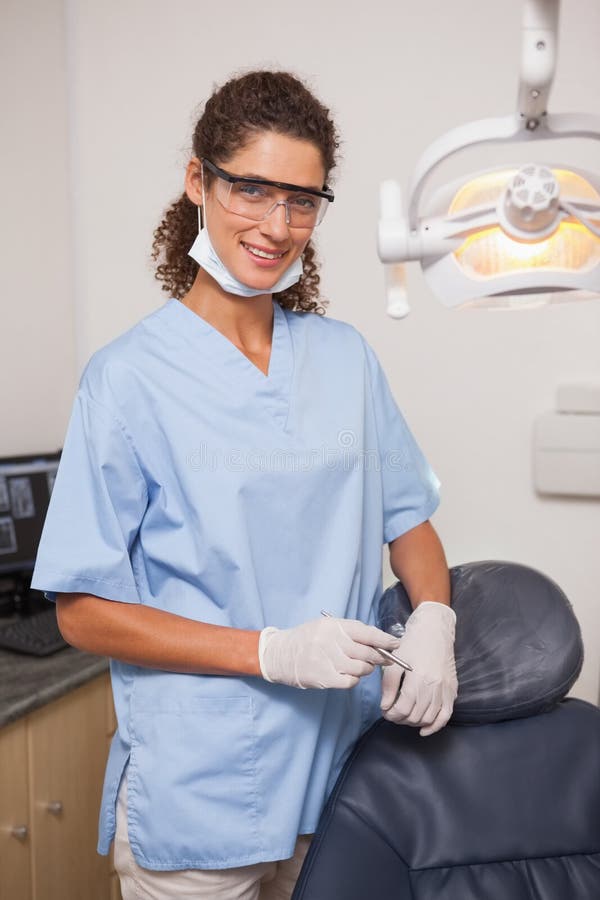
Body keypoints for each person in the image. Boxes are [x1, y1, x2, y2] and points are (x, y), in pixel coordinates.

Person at [31, 69, 458, 899]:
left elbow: (410, 520)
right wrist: (271, 651)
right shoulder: (127, 381)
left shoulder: (345, 360)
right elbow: (81, 612)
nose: (277, 224)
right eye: (253, 190)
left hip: (346, 781)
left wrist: (436, 616)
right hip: (203, 793)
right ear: (199, 181)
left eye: (302, 200)